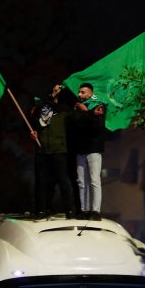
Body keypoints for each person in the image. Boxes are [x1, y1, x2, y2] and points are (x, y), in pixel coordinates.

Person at [29, 85, 75, 219]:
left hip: (59, 149)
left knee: (63, 180)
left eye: (59, 89)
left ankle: (69, 210)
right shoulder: (41, 109)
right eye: (55, 89)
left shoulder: (65, 110)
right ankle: (42, 210)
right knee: (42, 182)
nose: (56, 91)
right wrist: (34, 133)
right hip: (42, 149)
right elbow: (35, 125)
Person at [71, 82, 107, 220]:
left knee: (94, 180)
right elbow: (74, 124)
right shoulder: (77, 107)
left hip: (93, 148)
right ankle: (84, 210)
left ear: (91, 93)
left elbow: (97, 127)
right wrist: (83, 112)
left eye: (83, 92)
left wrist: (87, 111)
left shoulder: (98, 105)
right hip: (80, 149)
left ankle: (96, 211)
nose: (79, 94)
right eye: (79, 92)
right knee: (81, 181)